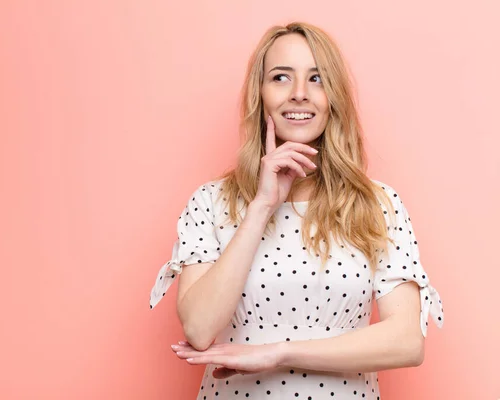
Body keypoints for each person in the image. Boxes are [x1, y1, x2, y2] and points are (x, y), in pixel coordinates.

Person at [149, 21, 444, 399]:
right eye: (281, 77)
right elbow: (199, 329)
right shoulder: (211, 203)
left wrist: (278, 353)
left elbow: (406, 341)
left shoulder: (377, 204)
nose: (299, 94)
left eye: (317, 79)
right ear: (261, 93)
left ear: (333, 96)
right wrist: (262, 205)